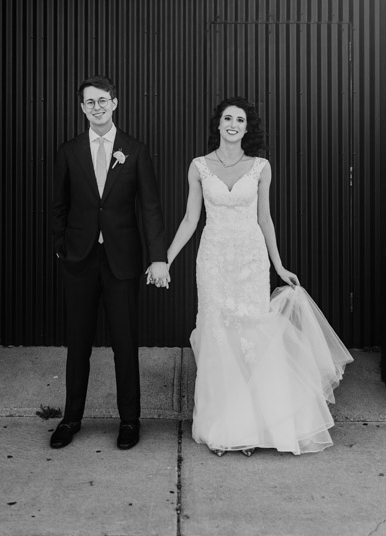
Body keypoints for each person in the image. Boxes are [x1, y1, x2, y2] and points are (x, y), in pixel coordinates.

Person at [160, 96, 353, 456]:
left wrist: (279, 266)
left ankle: (252, 428)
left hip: (251, 260)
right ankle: (222, 429)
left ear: (247, 129)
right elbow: (190, 219)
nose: (233, 124)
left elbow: (265, 219)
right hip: (214, 259)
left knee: (251, 341)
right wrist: (166, 259)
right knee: (218, 337)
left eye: (241, 120)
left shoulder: (260, 167)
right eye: (228, 118)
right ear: (218, 125)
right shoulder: (199, 167)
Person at [50, 75, 170, 450]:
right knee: (78, 343)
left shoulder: (135, 150)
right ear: (82, 108)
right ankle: (71, 419)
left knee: (124, 342)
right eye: (90, 102)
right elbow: (59, 205)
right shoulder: (69, 151)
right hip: (81, 259)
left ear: (115, 103)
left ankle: (130, 422)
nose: (97, 107)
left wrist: (157, 257)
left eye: (103, 101)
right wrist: (61, 249)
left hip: (122, 261)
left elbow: (150, 208)